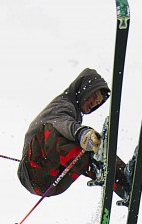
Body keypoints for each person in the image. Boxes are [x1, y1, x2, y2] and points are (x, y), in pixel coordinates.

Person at [17, 67, 132, 200]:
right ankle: (98, 167)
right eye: (93, 97)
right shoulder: (63, 104)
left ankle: (123, 179)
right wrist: (81, 133)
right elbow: (61, 121)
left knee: (93, 147)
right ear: (85, 88)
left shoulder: (74, 114)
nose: (93, 103)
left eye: (97, 103)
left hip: (53, 183)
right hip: (32, 172)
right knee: (55, 134)